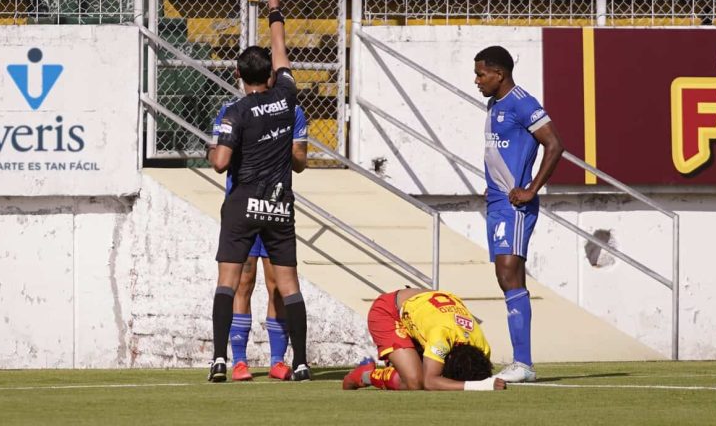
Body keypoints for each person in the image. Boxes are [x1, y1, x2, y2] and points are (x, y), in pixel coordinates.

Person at [207, 0, 311, 382]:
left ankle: (221, 359)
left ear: (237, 74)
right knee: (286, 284)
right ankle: (299, 361)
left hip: (243, 203)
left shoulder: (235, 111)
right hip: (278, 204)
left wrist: (209, 148)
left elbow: (220, 163)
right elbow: (281, 49)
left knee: (230, 282)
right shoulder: (287, 98)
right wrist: (275, 9)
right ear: (271, 72)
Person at [473, 45, 564, 383]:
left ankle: (523, 363)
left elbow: (555, 144)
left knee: (510, 271)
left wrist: (531, 189)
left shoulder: (523, 102)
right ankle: (521, 362)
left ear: (500, 74)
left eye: (481, 74)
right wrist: (492, 184)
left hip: (515, 204)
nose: (477, 80)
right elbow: (500, 152)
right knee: (504, 275)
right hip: (497, 200)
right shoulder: (494, 104)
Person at [210, 102, 308, 381]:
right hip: (244, 204)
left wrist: (292, 152)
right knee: (243, 280)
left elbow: (300, 162)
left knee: (277, 283)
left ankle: (278, 361)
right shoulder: (231, 110)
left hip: (273, 206)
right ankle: (239, 361)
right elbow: (220, 153)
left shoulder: (292, 111)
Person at [342, 288, 507, 391]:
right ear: (447, 356)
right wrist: (479, 386)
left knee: (419, 371)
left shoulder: (483, 348)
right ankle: (364, 375)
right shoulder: (441, 338)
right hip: (389, 310)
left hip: (423, 307)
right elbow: (430, 382)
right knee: (414, 381)